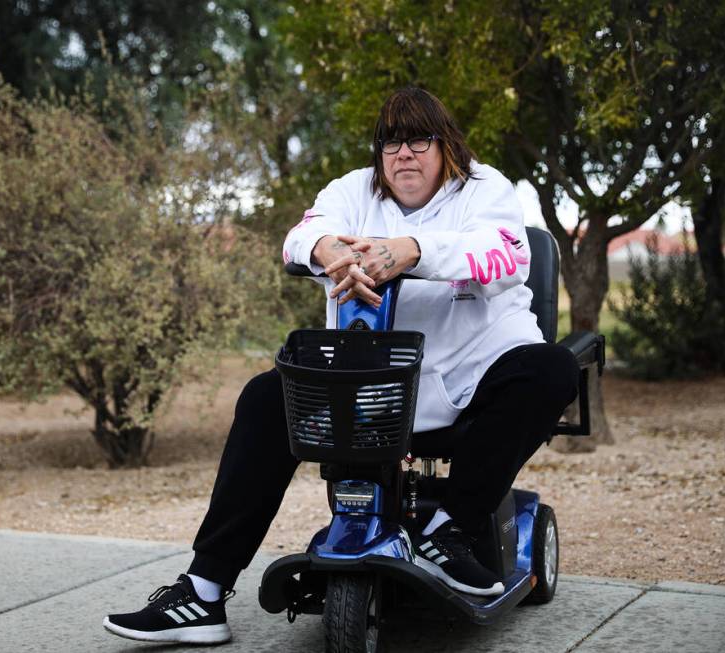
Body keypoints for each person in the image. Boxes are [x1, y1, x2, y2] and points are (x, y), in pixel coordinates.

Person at [103, 86, 579, 644]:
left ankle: (447, 530)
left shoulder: (483, 188)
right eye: (391, 142)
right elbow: (298, 237)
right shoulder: (352, 190)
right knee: (263, 398)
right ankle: (204, 590)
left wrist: (410, 250)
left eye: (419, 140)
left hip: (470, 380)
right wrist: (329, 251)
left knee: (551, 369)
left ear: (445, 145)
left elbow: (505, 255)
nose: (404, 153)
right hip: (369, 389)